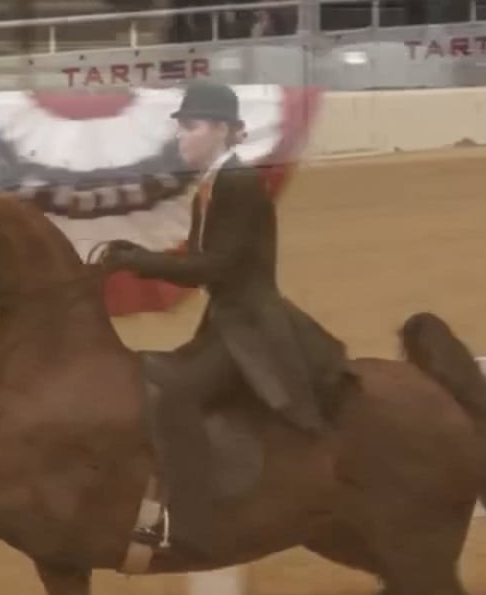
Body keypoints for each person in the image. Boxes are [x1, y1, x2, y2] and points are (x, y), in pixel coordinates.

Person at [98, 79, 357, 561]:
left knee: (176, 397)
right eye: (181, 129)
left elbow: (214, 267)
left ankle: (191, 525)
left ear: (221, 129)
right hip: (226, 323)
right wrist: (137, 257)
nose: (181, 138)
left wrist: (138, 261)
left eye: (190, 127)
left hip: (249, 327)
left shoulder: (237, 182)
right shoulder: (213, 184)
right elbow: (199, 262)